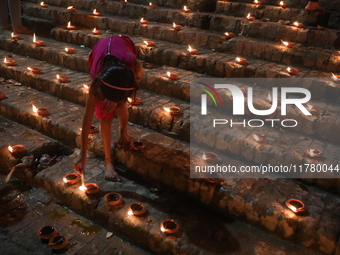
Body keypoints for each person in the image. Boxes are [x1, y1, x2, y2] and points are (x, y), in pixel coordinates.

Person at [73, 35, 144, 182]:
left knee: (121, 105)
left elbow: (138, 78)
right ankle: (108, 162)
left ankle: (123, 131)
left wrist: (118, 99)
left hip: (123, 45)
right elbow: (87, 118)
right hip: (101, 52)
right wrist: (82, 154)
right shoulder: (97, 82)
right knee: (105, 115)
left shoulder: (132, 64)